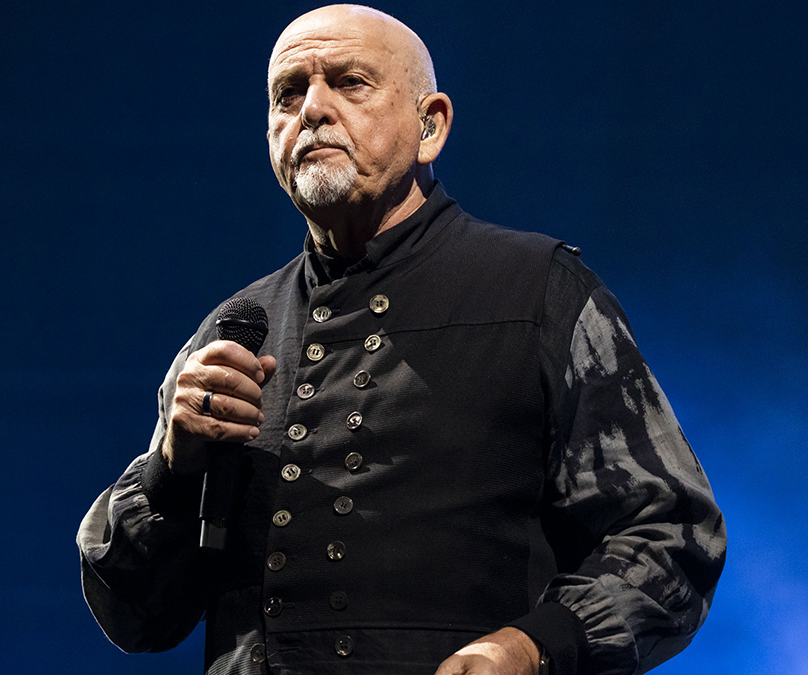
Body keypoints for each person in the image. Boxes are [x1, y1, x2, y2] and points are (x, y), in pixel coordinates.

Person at [77, 5, 726, 675]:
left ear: (430, 126)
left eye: (350, 83)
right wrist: (173, 473)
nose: (313, 110)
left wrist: (533, 646)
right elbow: (134, 616)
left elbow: (671, 533)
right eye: (288, 94)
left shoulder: (540, 292)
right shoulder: (230, 330)